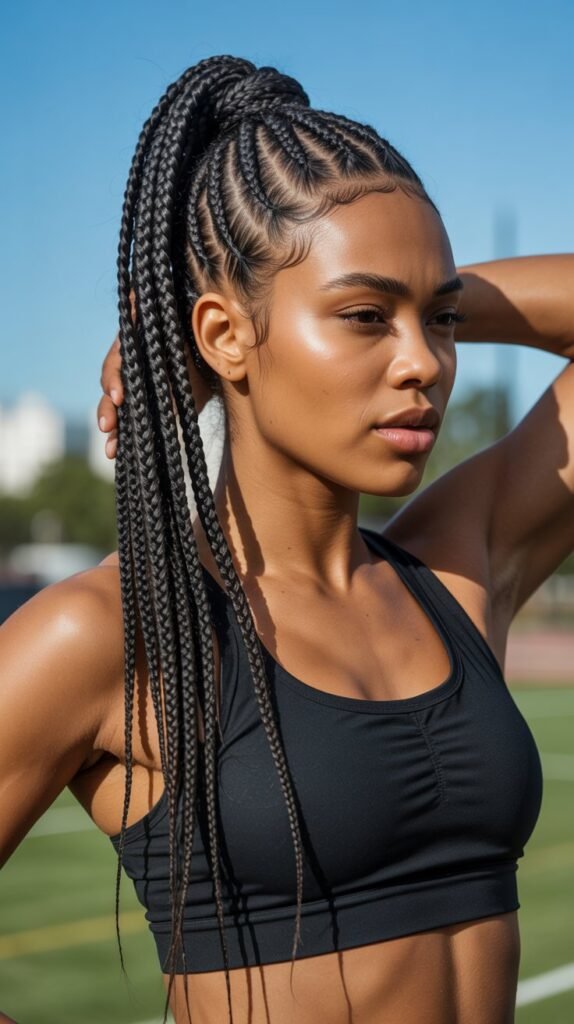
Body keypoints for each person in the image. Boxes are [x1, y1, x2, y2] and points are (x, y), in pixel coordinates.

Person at [1, 53, 573, 1024]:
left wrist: (421, 291)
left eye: (437, 321)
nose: (425, 363)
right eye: (364, 317)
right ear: (224, 335)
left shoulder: (454, 569)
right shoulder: (111, 630)